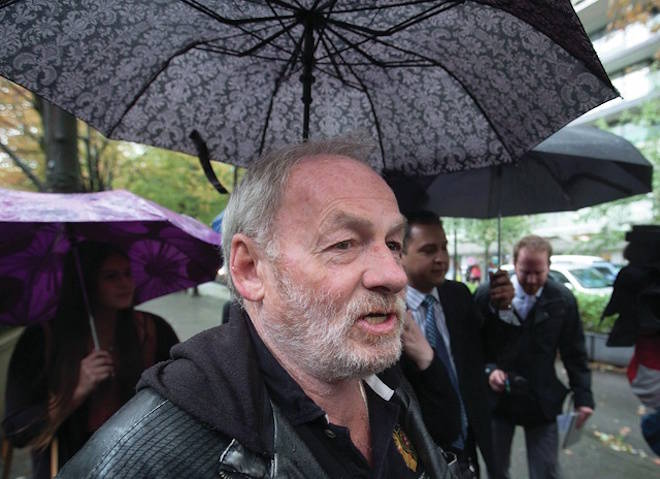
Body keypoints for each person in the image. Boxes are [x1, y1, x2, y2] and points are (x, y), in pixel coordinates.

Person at [57, 138, 458, 478]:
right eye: (343, 244)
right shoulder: (147, 452)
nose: (394, 274)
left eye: (393, 244)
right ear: (250, 269)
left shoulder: (386, 380)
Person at [2, 241, 179, 479]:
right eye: (111, 276)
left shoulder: (152, 330)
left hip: (140, 465)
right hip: (71, 467)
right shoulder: (41, 339)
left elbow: (179, 396)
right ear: (84, 283)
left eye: (128, 273)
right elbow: (17, 431)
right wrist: (76, 390)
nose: (125, 284)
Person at [399, 211, 513, 478]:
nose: (441, 258)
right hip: (421, 447)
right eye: (428, 250)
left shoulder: (458, 295)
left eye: (444, 247)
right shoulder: (389, 310)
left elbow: (490, 352)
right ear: (399, 254)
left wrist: (502, 309)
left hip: (470, 434)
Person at [475, 235, 594, 479]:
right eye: (524, 271)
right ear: (513, 264)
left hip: (542, 397)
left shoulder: (562, 299)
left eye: (538, 272)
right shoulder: (488, 294)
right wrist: (489, 370)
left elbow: (574, 352)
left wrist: (584, 396)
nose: (531, 280)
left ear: (549, 266)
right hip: (498, 399)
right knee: (496, 469)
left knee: (546, 471)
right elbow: (473, 345)